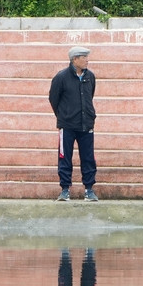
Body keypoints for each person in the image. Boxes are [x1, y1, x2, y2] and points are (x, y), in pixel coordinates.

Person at [49, 46, 98, 202]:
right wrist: (64, 116)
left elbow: (90, 95)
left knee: (88, 157)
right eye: (84, 57)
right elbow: (53, 99)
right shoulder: (61, 77)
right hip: (67, 126)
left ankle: (89, 190)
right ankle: (65, 190)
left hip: (86, 125)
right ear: (74, 59)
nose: (87, 60)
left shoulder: (90, 76)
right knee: (65, 158)